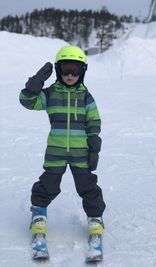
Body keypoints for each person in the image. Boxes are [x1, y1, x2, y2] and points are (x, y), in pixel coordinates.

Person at [19, 46, 106, 242]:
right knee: (48, 184)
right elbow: (27, 102)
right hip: (55, 151)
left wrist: (94, 142)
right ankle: (39, 213)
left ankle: (95, 217)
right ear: (58, 70)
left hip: (80, 152)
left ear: (82, 71)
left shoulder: (85, 96)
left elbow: (94, 120)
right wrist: (34, 85)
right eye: (66, 69)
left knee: (87, 186)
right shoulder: (50, 94)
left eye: (75, 70)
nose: (69, 75)